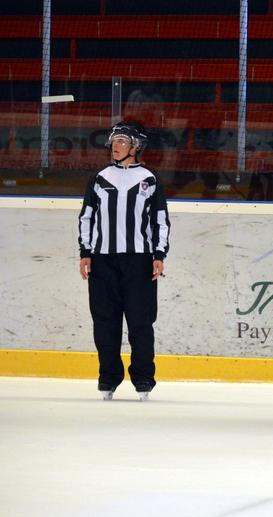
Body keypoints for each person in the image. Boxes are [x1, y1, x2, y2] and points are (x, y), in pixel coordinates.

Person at [78, 121, 170, 401]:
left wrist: (159, 254)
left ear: (135, 147)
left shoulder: (149, 179)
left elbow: (160, 220)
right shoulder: (100, 177)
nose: (114, 146)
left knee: (141, 322)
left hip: (139, 262)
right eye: (114, 141)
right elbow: (86, 217)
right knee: (105, 322)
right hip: (102, 261)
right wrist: (85, 252)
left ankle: (143, 379)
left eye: (121, 141)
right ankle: (108, 378)